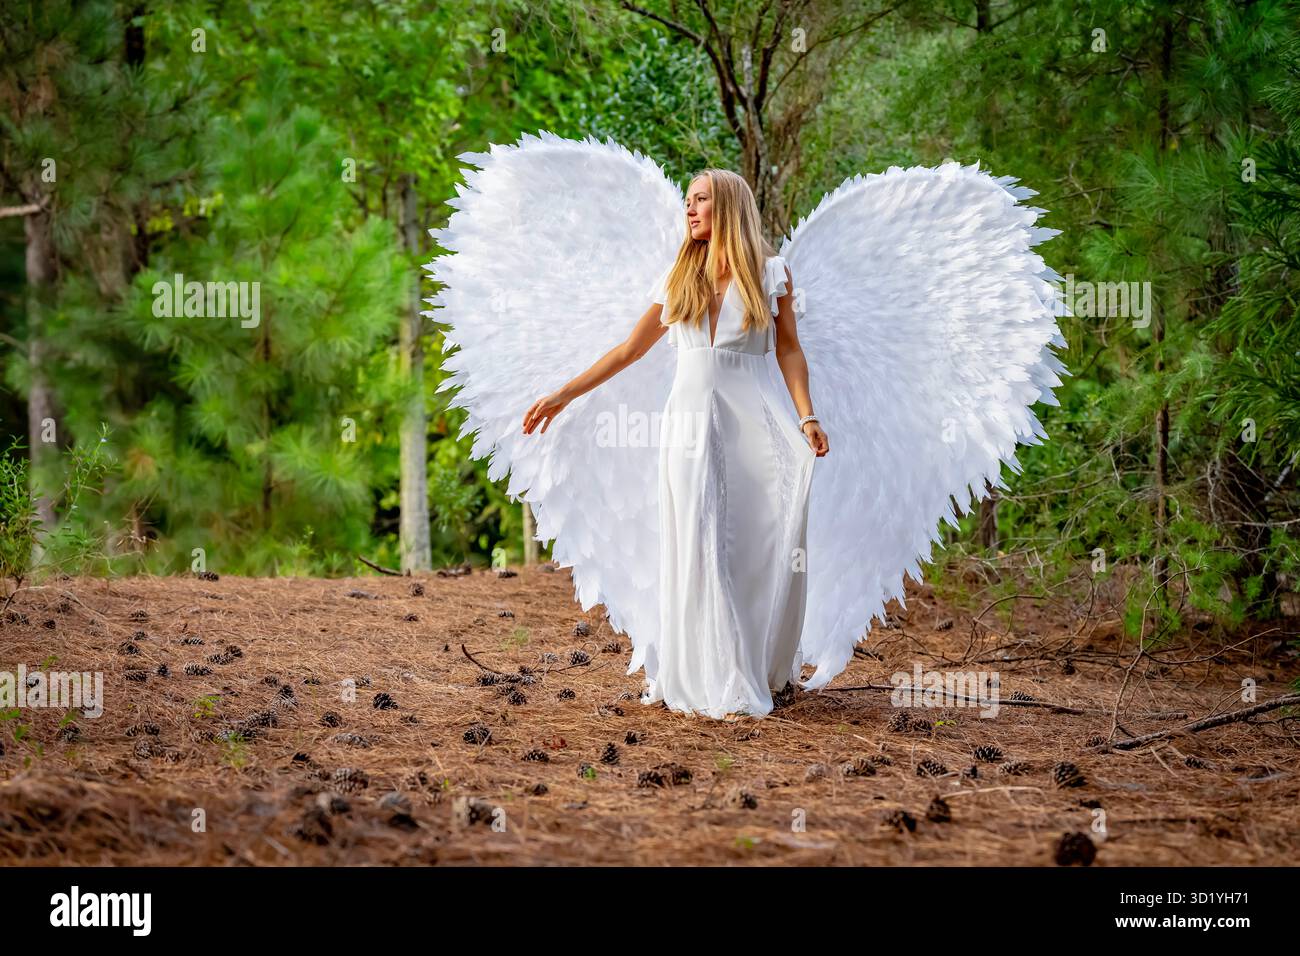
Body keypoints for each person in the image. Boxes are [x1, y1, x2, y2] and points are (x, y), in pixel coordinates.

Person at [522, 169, 827, 720]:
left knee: (754, 542)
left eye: (701, 200)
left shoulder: (770, 273)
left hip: (753, 423)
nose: (689, 210)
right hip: (688, 426)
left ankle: (752, 665)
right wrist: (562, 395)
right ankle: (709, 673)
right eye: (687, 201)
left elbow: (788, 351)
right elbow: (628, 351)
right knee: (700, 536)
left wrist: (807, 416)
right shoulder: (680, 277)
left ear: (728, 206)